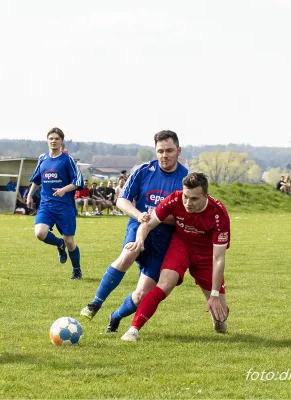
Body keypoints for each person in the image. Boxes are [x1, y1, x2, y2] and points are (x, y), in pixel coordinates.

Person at [79, 130, 188, 334]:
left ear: (178, 151)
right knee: (129, 253)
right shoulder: (144, 171)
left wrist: (159, 216)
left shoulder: (186, 179)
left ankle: (116, 316)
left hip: (164, 239)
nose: (165, 155)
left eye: (170, 151)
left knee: (141, 295)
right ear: (155, 152)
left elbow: (188, 216)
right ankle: (96, 302)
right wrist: (139, 216)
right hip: (138, 225)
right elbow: (121, 200)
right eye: (160, 151)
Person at [121, 173, 230, 341]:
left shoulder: (218, 214)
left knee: (221, 318)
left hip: (206, 255)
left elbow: (218, 259)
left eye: (194, 199)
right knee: (164, 285)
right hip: (182, 246)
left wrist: (214, 294)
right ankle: (133, 330)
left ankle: (218, 318)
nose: (187, 203)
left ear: (205, 196)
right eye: (186, 197)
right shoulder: (175, 199)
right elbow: (147, 223)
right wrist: (139, 240)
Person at [26, 127, 84, 280]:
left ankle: (76, 270)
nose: (53, 141)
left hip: (64, 207)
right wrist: (29, 195)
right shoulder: (43, 159)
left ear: (62, 142)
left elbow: (78, 181)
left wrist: (64, 189)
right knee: (39, 233)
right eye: (51, 138)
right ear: (47, 140)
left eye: (56, 139)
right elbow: (37, 179)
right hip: (46, 205)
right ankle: (59, 244)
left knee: (70, 241)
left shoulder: (67, 159)